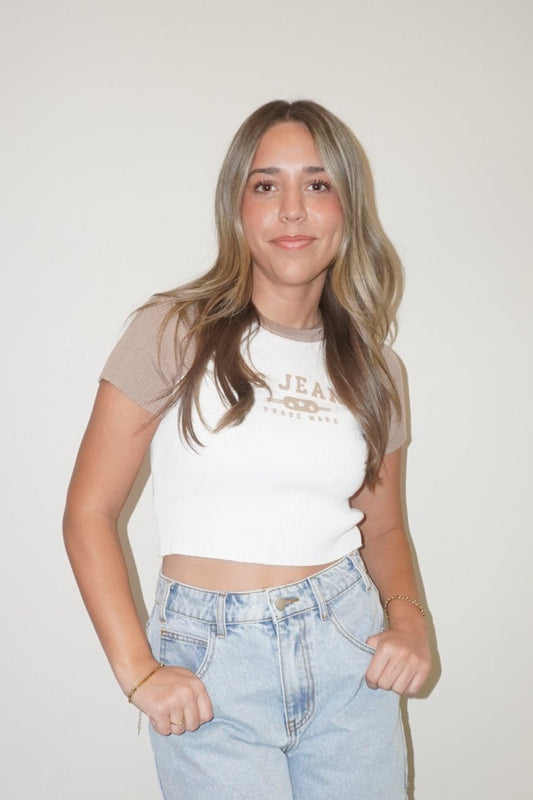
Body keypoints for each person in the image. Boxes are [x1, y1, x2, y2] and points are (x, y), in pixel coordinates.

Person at [64, 99, 431, 800]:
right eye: (266, 185)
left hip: (347, 650)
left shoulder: (377, 369)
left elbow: (383, 527)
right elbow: (88, 512)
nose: (292, 210)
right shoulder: (174, 329)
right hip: (210, 665)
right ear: (237, 207)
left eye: (317, 184)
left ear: (348, 207)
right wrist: (138, 670)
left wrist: (410, 622)